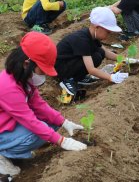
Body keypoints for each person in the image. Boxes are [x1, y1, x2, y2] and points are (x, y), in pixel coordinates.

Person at [0, 32, 87, 179]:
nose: (44, 75)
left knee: (51, 123)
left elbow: (39, 105)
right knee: (38, 130)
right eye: (42, 69)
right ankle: (3, 154)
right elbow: (30, 121)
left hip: (9, 125)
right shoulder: (8, 87)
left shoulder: (23, 79)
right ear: (27, 63)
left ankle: (13, 148)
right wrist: (61, 141)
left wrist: (63, 121)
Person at [55, 7, 129, 96]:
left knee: (99, 53)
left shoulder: (92, 35)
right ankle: (68, 79)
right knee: (95, 58)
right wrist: (111, 77)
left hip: (72, 62)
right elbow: (91, 70)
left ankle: (79, 77)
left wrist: (125, 60)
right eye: (108, 32)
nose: (109, 34)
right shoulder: (82, 39)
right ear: (97, 27)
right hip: (61, 68)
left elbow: (105, 52)